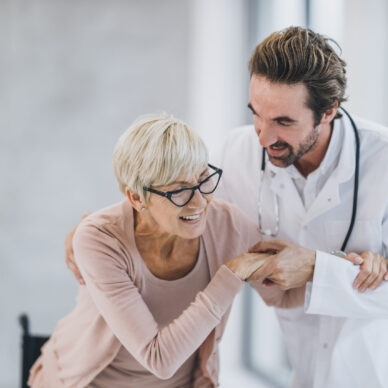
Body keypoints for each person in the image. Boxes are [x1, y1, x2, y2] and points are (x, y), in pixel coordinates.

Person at [28, 114, 271, 388]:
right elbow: (160, 360)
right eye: (179, 191)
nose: (200, 202)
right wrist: (232, 275)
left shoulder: (227, 223)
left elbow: (291, 291)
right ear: (135, 197)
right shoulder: (100, 237)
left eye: (203, 178)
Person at [215, 26, 388, 388]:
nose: (263, 137)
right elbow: (190, 221)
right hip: (300, 371)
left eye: (283, 122)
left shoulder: (382, 159)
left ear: (328, 112)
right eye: (256, 114)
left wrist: (315, 268)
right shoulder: (238, 151)